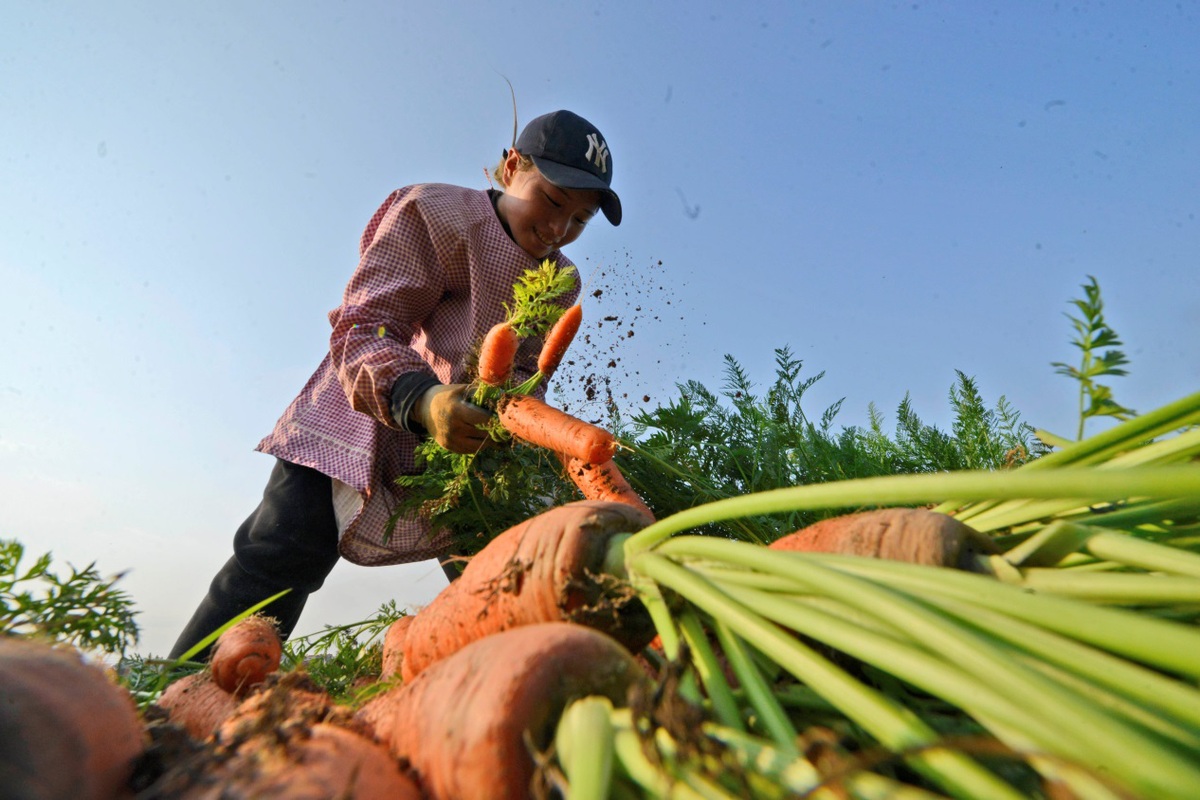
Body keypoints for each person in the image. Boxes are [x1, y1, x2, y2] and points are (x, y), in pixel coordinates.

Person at [168, 109, 621, 660]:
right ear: (510, 167)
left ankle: (518, 677)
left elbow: (525, 375)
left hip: (461, 448)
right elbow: (365, 327)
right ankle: (180, 692)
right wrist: (423, 400)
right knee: (285, 553)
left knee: (496, 577)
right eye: (551, 201)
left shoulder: (560, 279)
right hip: (361, 412)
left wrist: (523, 429)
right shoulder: (437, 213)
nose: (558, 229)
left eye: (579, 220)